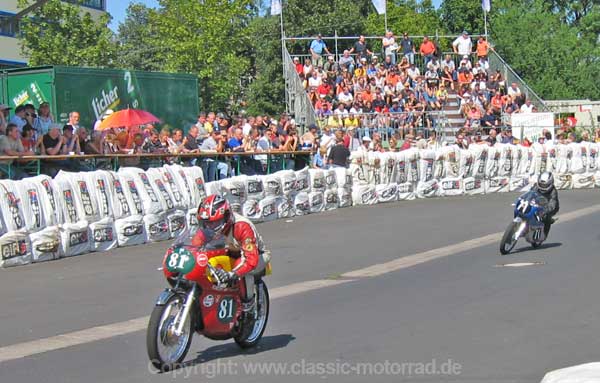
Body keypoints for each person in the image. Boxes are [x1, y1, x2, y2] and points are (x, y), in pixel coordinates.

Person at [195, 195, 267, 313]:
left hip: (256, 255)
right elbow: (195, 247)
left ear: (227, 217)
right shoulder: (207, 229)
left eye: (215, 223)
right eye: (207, 223)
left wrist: (231, 274)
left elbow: (250, 260)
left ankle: (248, 304)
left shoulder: (242, 226)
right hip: (229, 252)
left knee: (242, 268)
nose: (210, 227)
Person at [531, 172, 559, 237]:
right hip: (538, 202)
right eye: (541, 184)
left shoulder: (553, 191)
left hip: (550, 207)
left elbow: (552, 204)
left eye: (545, 185)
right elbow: (530, 193)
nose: (542, 186)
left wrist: (544, 211)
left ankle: (544, 234)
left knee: (546, 217)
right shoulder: (536, 186)